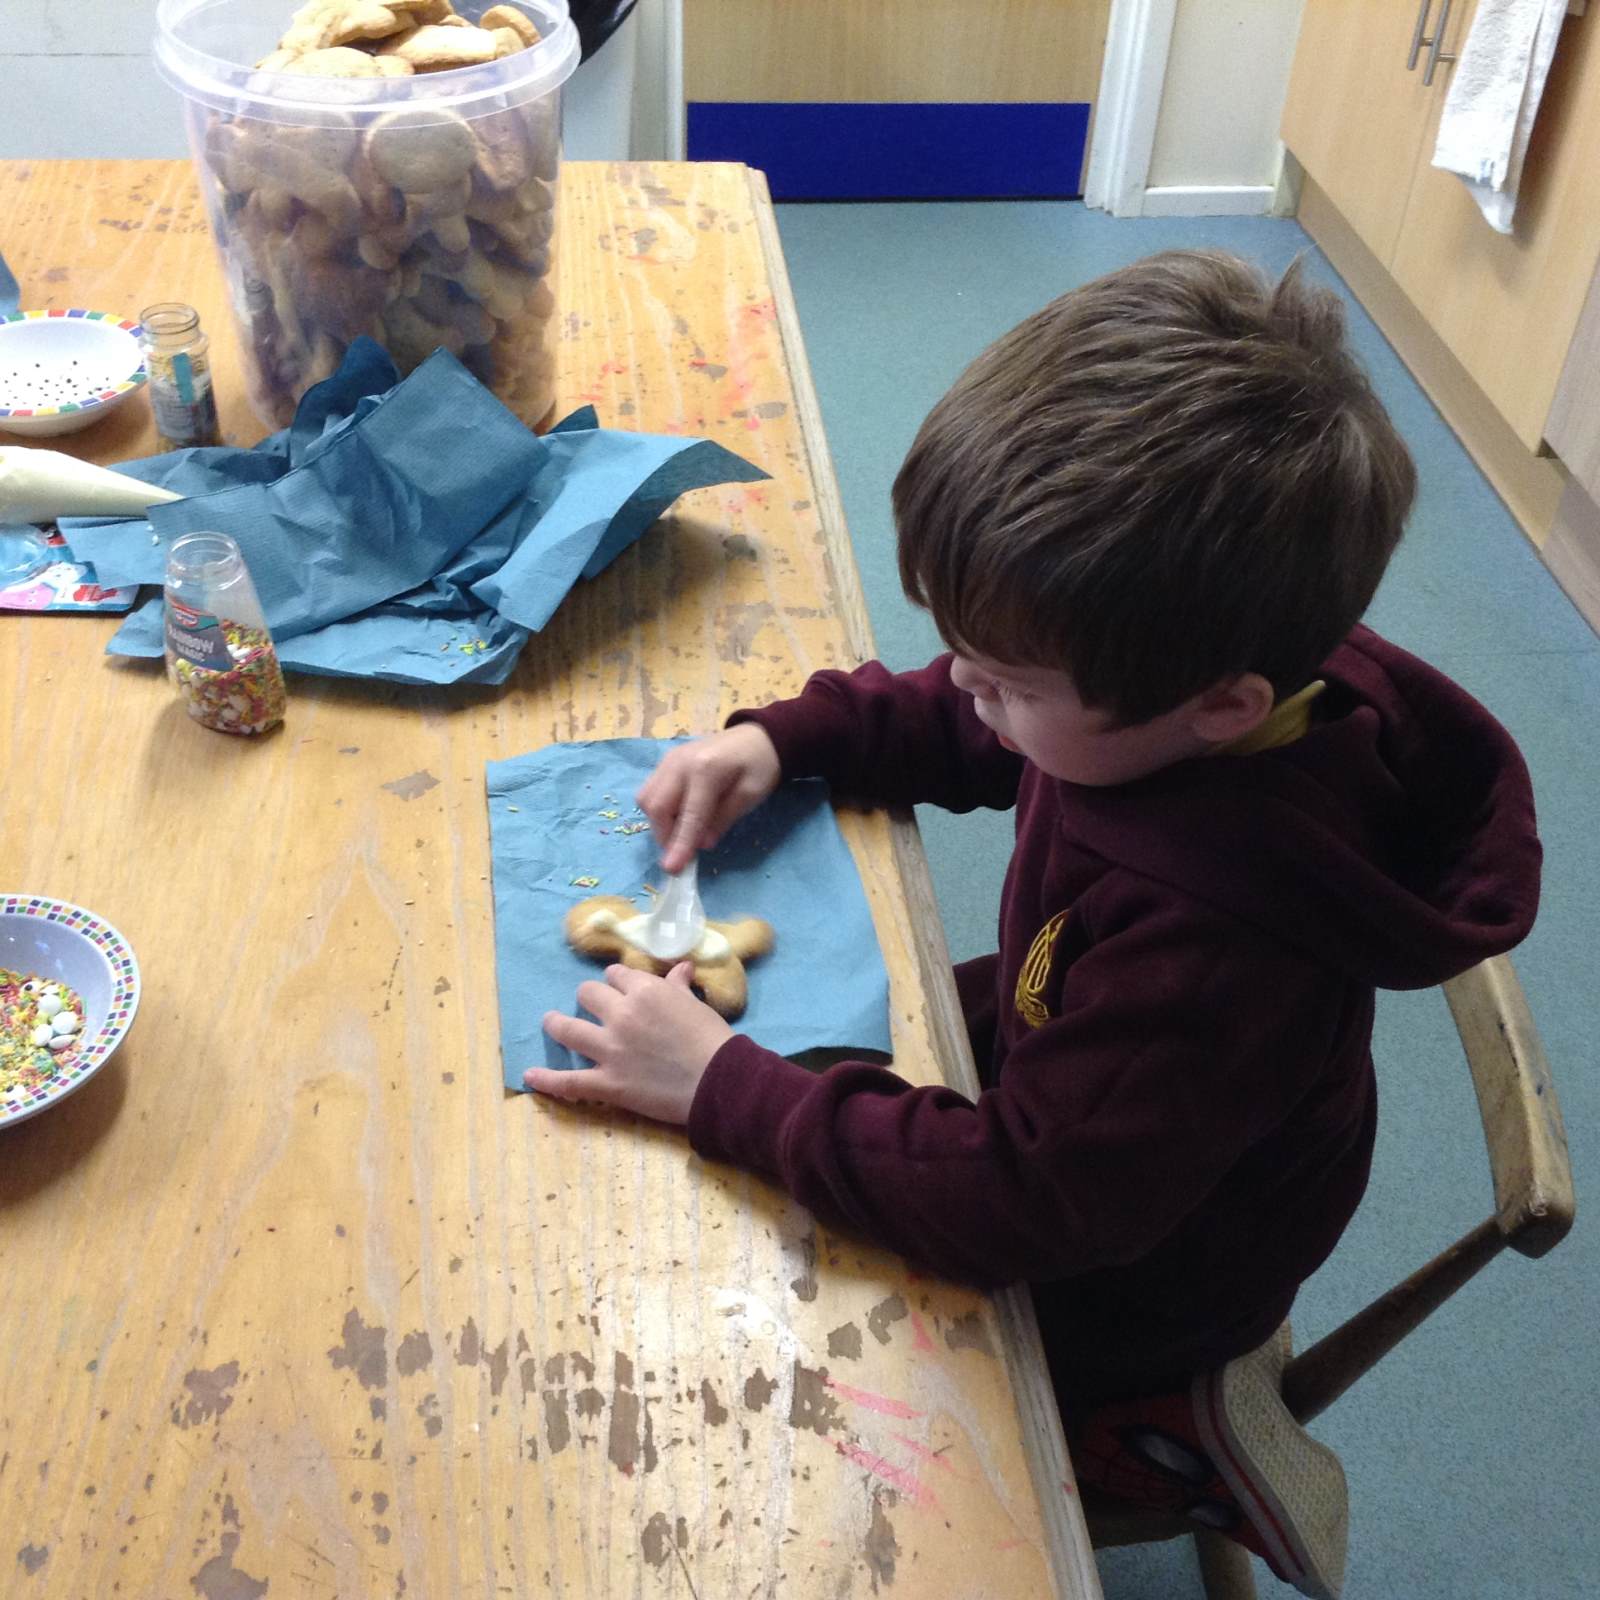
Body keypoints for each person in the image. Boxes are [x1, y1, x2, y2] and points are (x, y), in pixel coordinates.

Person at [526, 251, 1541, 1598]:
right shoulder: (1182, 679)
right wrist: (793, 738)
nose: (969, 690)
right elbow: (984, 722)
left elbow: (1020, 1202)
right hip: (1080, 1079)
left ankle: (1168, 1442)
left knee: (735, 1390)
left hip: (1127, 1281)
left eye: (1005, 679)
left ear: (1223, 709)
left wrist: (724, 1089)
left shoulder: (1215, 952)